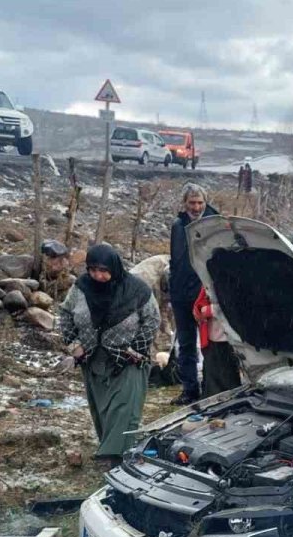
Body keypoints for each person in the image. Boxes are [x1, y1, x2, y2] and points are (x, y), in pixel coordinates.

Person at [58, 244, 159, 467]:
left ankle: (114, 455)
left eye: (104, 270)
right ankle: (110, 447)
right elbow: (65, 314)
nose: (99, 276)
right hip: (93, 358)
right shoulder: (81, 288)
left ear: (114, 267)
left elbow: (152, 320)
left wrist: (136, 349)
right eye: (93, 270)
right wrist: (74, 345)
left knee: (124, 407)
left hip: (129, 359)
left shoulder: (137, 290)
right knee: (103, 408)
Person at [168, 183, 218, 405]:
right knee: (186, 344)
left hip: (207, 294)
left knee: (212, 343)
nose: (196, 207)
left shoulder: (215, 225)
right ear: (185, 203)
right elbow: (175, 260)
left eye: (200, 203)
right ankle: (190, 390)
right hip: (181, 293)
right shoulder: (178, 226)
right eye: (192, 203)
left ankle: (212, 388)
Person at [192, 286, 243, 397]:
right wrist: (202, 309)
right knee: (213, 375)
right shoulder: (208, 280)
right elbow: (200, 303)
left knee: (228, 378)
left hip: (228, 337)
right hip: (213, 337)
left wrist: (209, 310)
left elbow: (236, 302)